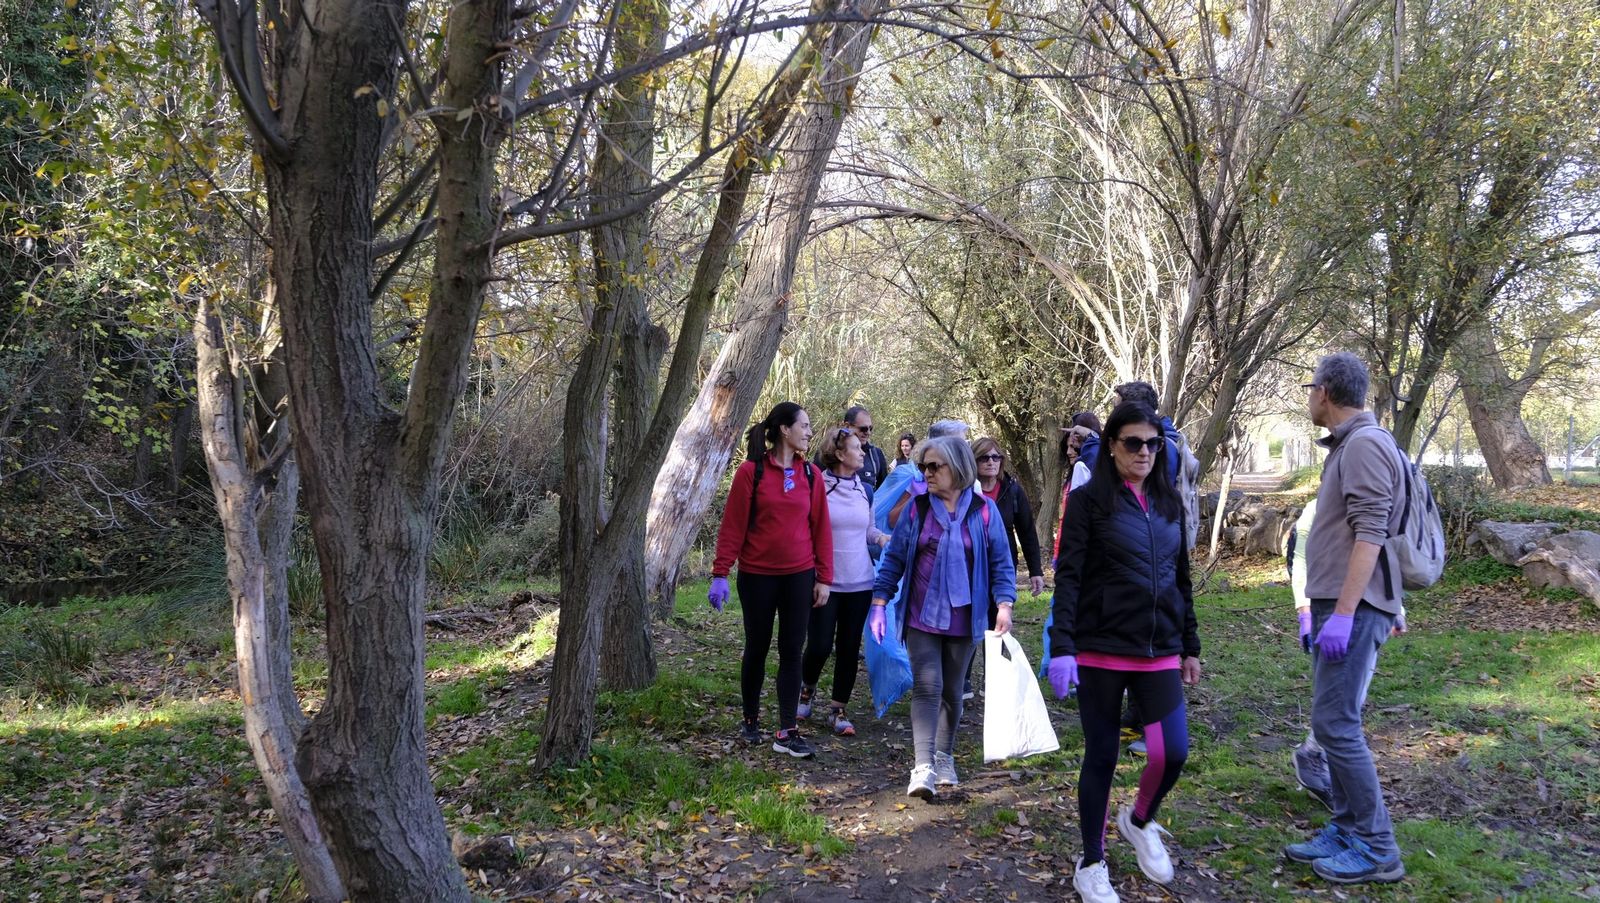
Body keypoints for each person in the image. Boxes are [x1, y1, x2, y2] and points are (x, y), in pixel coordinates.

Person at [1047, 402, 1202, 903]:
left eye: (1153, 444)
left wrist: (1190, 646)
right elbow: (1068, 576)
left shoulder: (1168, 503)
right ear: (1111, 445)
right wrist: (1062, 647)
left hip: (1159, 647)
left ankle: (1139, 820)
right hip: (1099, 648)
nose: (1144, 452)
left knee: (1172, 751)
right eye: (1133, 443)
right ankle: (1091, 862)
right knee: (1103, 755)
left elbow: (1181, 579)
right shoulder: (1088, 501)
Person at [1283, 352, 1407, 885]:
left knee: (1337, 726)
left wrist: (1346, 614)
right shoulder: (1350, 445)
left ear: (1327, 392)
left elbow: (1372, 533)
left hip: (1352, 609)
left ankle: (1379, 848)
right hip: (1341, 606)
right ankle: (1347, 829)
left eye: (1311, 387)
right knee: (1332, 723)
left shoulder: (1364, 445)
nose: (1308, 395)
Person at [869, 435, 1017, 799]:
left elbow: (1001, 562)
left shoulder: (984, 511)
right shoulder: (917, 509)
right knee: (927, 686)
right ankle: (923, 767)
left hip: (966, 618)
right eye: (924, 467)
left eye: (935, 466)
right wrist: (878, 602)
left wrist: (1004, 604)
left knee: (953, 690)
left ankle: (944, 756)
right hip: (921, 615)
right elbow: (895, 560)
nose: (927, 473)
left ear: (959, 468)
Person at [709, 402, 833, 760]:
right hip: (757, 576)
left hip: (799, 575)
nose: (809, 432)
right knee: (758, 648)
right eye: (804, 426)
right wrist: (720, 573)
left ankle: (786, 731)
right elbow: (733, 526)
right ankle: (750, 719)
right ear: (784, 430)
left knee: (792, 651)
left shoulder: (812, 475)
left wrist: (824, 577)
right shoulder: (752, 472)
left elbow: (821, 529)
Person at [1287, 497, 1407, 810]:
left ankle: (1317, 756)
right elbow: (1300, 560)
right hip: (1328, 611)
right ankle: (1322, 764)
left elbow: (1383, 557)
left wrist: (1397, 608)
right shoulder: (1316, 510)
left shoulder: (1375, 504)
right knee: (1338, 705)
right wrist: (1305, 613)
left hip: (1370, 610)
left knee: (1353, 697)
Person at [798, 428, 890, 736]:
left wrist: (882, 538)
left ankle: (838, 710)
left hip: (861, 581)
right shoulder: (817, 485)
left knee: (849, 648)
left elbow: (869, 530)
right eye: (856, 448)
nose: (863, 452)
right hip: (825, 581)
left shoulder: (866, 490)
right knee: (821, 645)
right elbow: (806, 529)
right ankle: (806, 690)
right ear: (839, 454)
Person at [873, 418, 970, 533]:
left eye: (966, 443)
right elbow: (892, 521)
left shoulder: (975, 490)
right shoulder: (917, 479)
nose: (966, 450)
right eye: (961, 445)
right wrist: (917, 498)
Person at [816, 405, 888, 488]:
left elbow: (884, 490)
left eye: (870, 428)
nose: (868, 433)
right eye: (863, 429)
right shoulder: (828, 451)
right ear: (847, 426)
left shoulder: (876, 455)